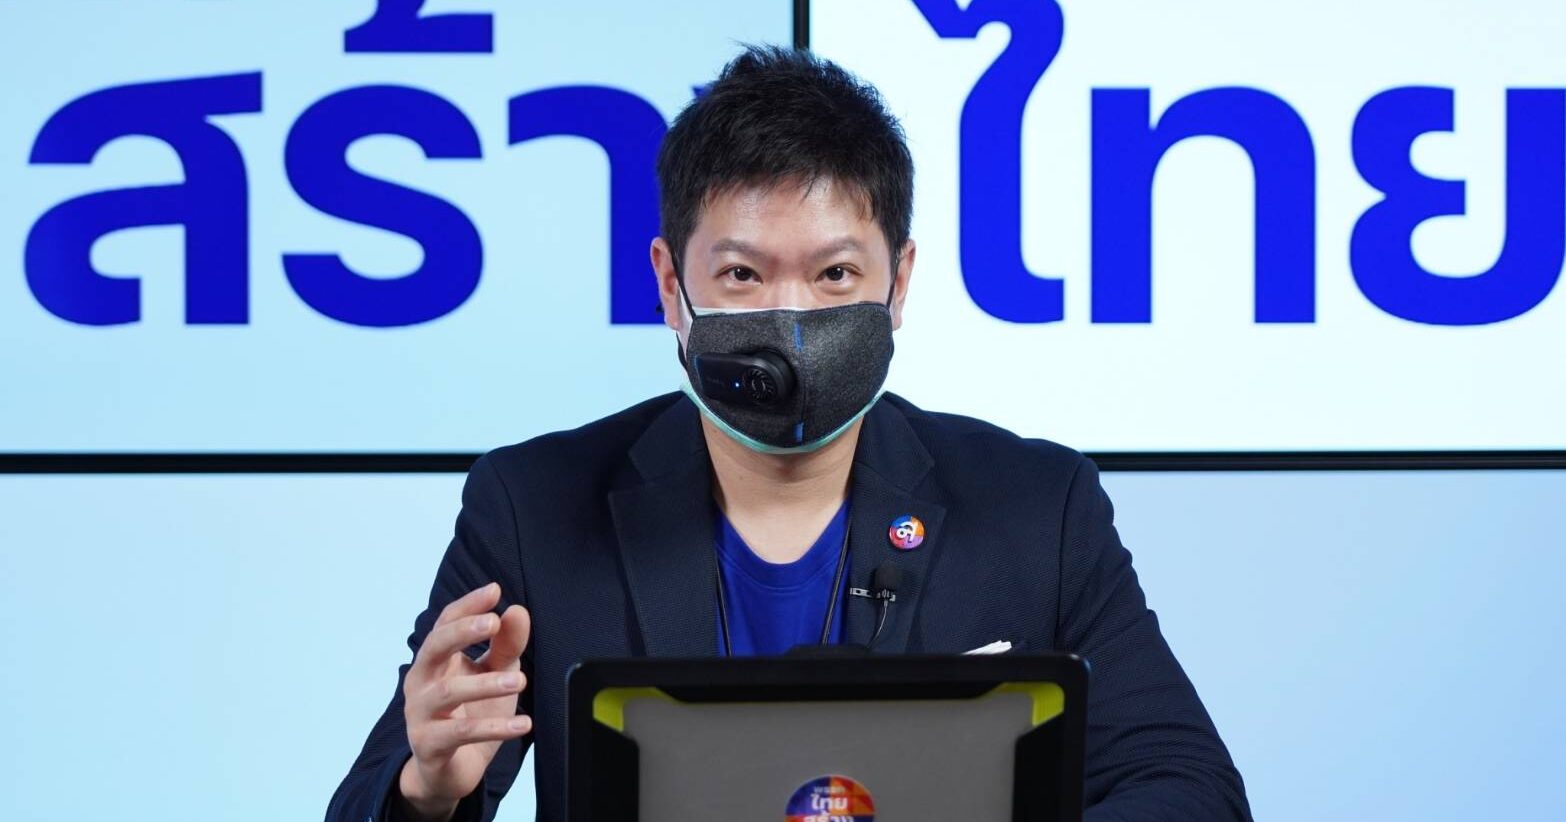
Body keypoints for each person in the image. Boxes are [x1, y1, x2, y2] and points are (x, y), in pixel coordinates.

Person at [325, 44, 1252, 822]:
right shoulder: (533, 507)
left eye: (835, 275)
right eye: (741, 276)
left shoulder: (1038, 508)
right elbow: (377, 797)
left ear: (899, 282)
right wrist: (424, 793)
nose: (792, 318)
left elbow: (1191, 788)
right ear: (669, 285)